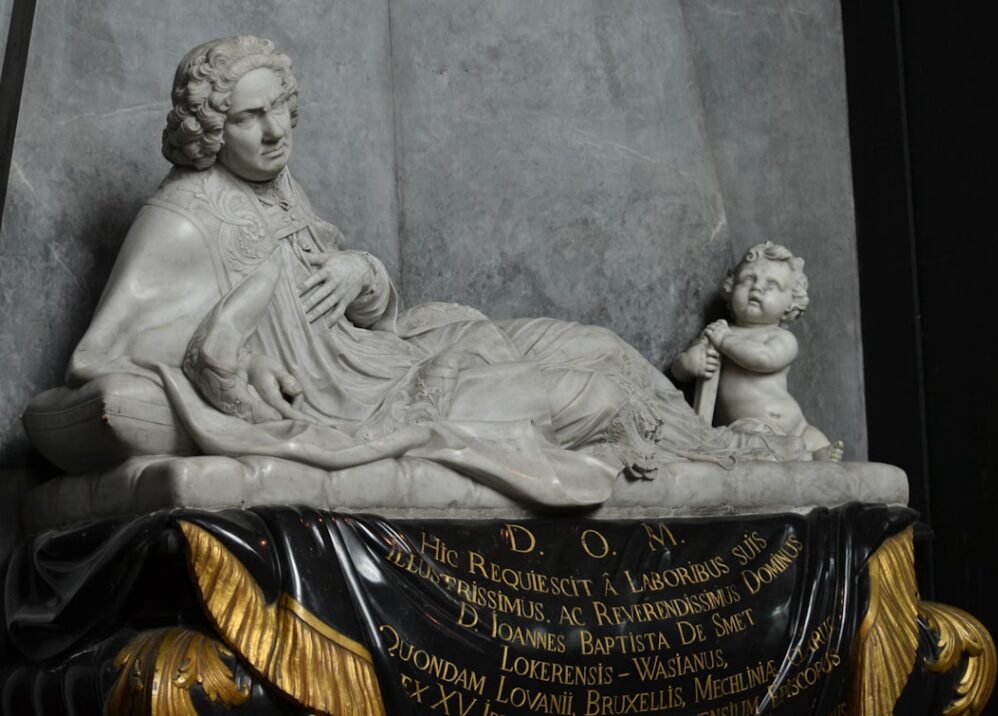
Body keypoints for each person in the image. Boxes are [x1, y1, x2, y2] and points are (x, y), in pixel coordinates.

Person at [65, 36, 807, 507]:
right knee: (595, 393)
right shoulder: (183, 219)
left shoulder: (280, 186)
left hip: (393, 351)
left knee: (595, 345)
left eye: (280, 108)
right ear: (210, 128)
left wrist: (362, 272)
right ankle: (731, 460)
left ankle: (736, 444)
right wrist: (242, 366)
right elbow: (97, 359)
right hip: (364, 401)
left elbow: (362, 314)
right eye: (248, 118)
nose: (275, 130)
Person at [673, 242, 843, 462]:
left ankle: (816, 454)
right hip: (749, 425)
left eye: (772, 285)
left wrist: (725, 340)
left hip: (796, 425)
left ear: (790, 303)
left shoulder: (781, 338)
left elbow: (764, 359)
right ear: (731, 287)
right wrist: (690, 363)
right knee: (755, 444)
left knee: (812, 438)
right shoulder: (718, 331)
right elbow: (678, 372)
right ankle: (804, 458)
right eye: (748, 279)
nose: (757, 288)